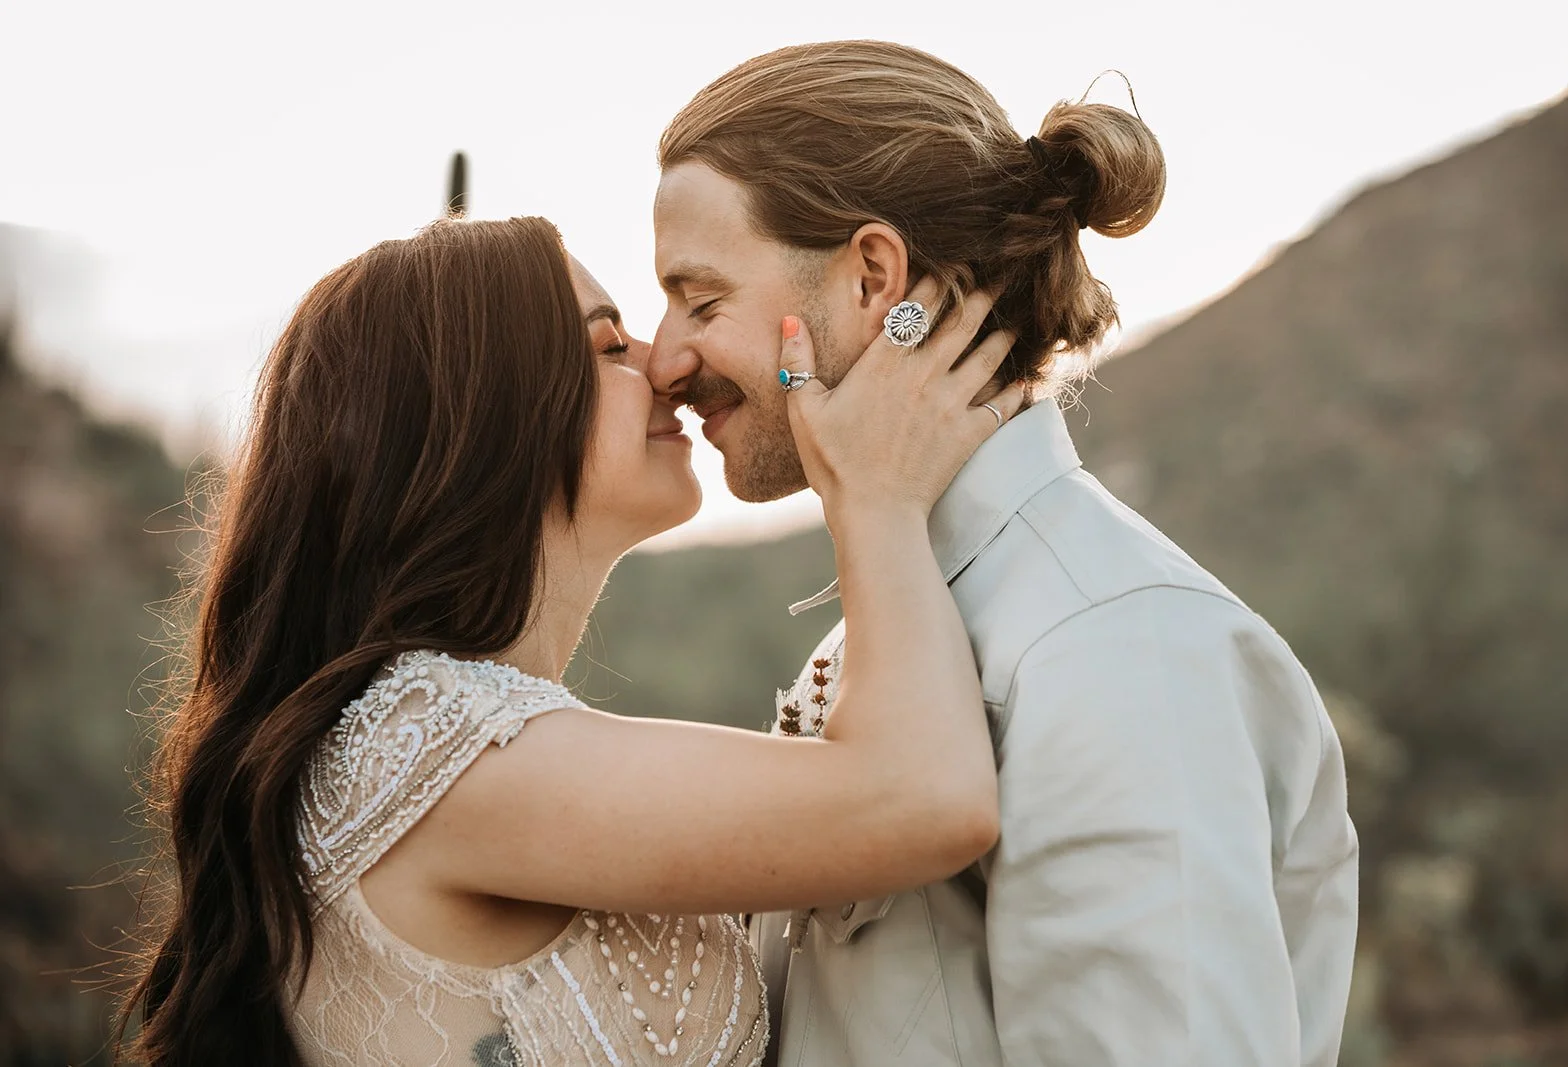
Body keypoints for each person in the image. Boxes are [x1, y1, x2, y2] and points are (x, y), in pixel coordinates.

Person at [119, 215, 1025, 1065]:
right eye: (607, 346)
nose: (666, 365)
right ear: (485, 416)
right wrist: (875, 495)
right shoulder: (429, 744)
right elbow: (928, 800)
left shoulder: (465, 742)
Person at [648, 40, 1361, 1067]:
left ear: (873, 279)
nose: (665, 357)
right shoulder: (909, 619)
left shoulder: (1118, 648)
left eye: (702, 299)